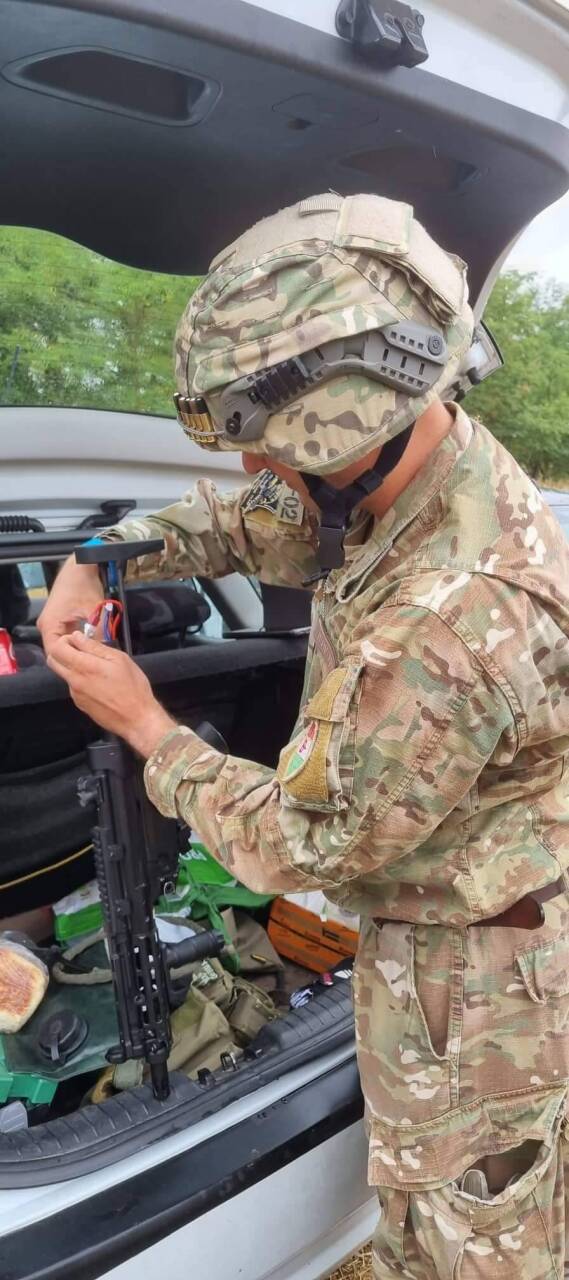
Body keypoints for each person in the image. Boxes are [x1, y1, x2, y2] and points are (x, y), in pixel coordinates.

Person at [40, 193, 569, 1277]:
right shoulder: (417, 467)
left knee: (469, 1235)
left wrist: (146, 726)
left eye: (278, 448)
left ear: (354, 429)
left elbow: (299, 846)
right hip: (454, 923)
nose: (256, 471)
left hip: (476, 982)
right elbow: (265, 521)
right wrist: (106, 552)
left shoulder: (452, 618)